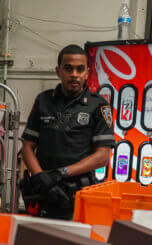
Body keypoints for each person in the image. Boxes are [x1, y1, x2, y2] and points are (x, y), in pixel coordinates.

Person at [20, 44, 114, 219]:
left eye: (80, 69)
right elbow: (27, 147)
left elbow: (102, 156)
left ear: (87, 72)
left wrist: (61, 173)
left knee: (75, 243)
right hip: (43, 190)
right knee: (39, 241)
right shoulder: (43, 101)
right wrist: (40, 176)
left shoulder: (98, 105)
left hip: (78, 193)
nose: (74, 75)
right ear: (58, 71)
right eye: (68, 68)